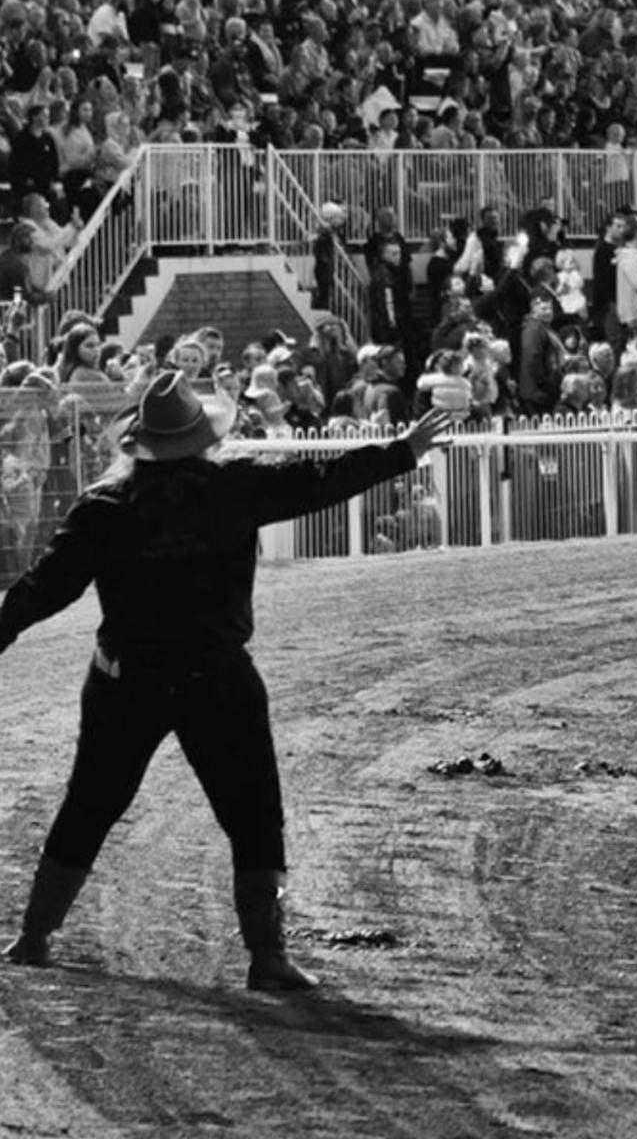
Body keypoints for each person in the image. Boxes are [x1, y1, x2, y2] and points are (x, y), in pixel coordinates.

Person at [0, 370, 454, 991]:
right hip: (214, 674)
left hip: (125, 677)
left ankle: (33, 936)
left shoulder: (105, 507)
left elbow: (44, 588)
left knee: (91, 802)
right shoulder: (234, 487)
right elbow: (323, 481)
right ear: (200, 438)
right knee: (253, 812)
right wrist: (404, 451)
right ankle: (267, 956)